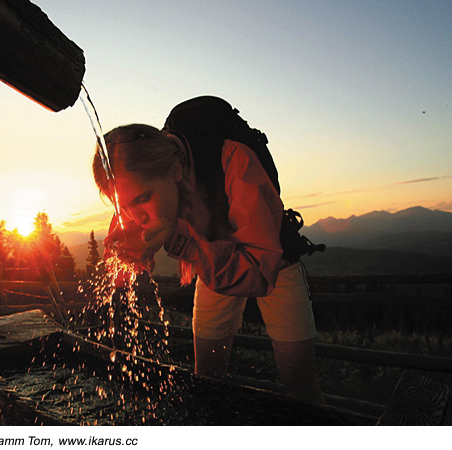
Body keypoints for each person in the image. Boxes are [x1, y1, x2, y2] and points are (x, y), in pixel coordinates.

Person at [92, 99, 324, 405]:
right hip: (212, 262)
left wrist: (181, 241)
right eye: (124, 206)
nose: (136, 217)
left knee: (300, 388)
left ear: (176, 170)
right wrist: (128, 253)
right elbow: (130, 229)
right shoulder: (139, 177)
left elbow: (258, 271)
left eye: (142, 199)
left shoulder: (235, 159)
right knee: (207, 378)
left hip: (275, 262)